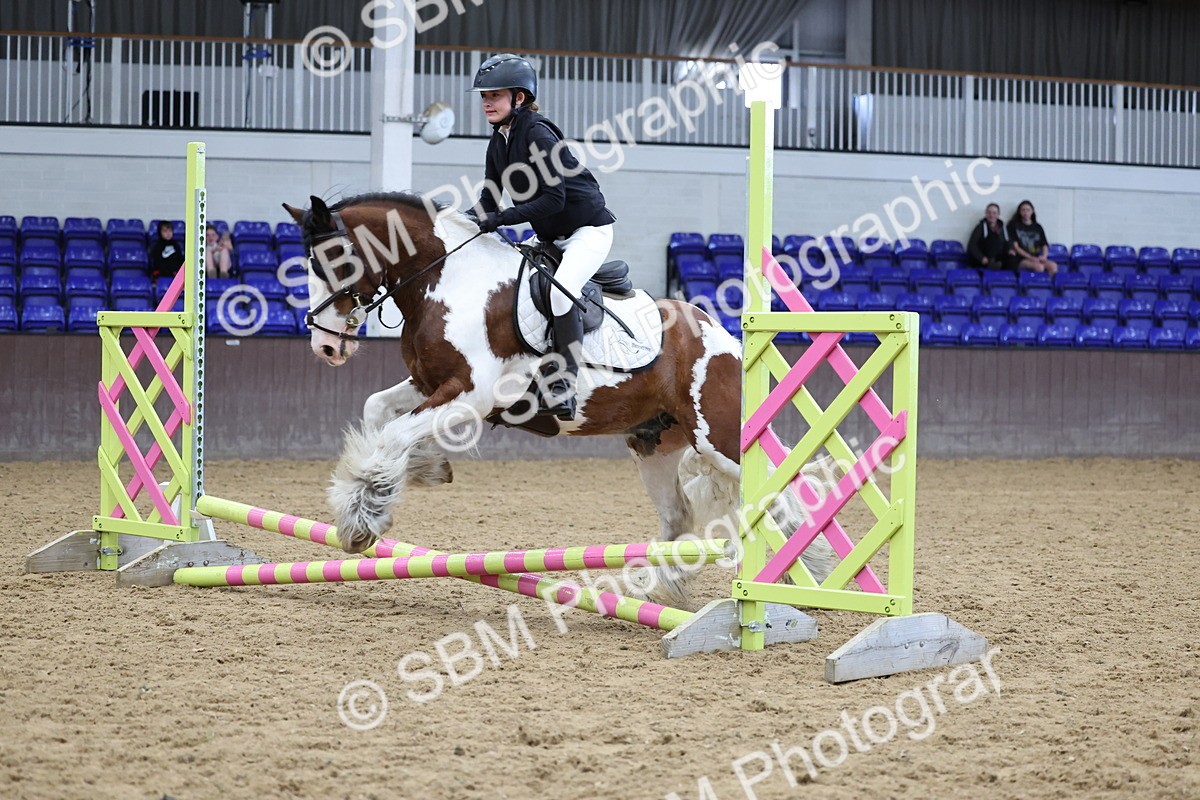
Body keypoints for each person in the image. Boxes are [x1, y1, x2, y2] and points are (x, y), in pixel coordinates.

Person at [468, 53, 616, 422]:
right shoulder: (498, 142)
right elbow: (488, 201)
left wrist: (502, 219)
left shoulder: (537, 133)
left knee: (561, 293)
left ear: (519, 97)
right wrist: (453, 222)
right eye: (484, 96)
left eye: (495, 95)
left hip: (587, 232)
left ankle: (563, 386)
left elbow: (554, 199)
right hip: (550, 237)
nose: (487, 102)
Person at [1005, 200, 1057, 274]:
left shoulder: (1038, 227)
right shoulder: (1013, 225)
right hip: (1021, 259)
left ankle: (1050, 282)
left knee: (1053, 266)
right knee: (1039, 267)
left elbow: (1044, 245)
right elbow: (1016, 247)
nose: (1025, 213)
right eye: (1023, 210)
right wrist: (1030, 257)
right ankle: (1037, 282)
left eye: (1028, 210)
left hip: (1036, 257)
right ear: (1019, 212)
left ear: (1032, 212)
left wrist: (1044, 256)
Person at [967, 203, 1010, 270]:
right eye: (989, 213)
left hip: (999, 259)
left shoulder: (1003, 228)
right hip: (983, 259)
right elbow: (972, 246)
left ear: (998, 215)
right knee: (992, 238)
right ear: (986, 214)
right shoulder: (980, 227)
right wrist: (981, 258)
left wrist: (1010, 250)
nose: (991, 215)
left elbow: (1007, 242)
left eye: (994, 213)